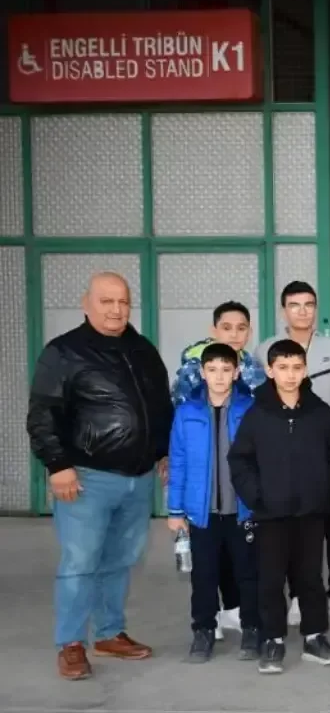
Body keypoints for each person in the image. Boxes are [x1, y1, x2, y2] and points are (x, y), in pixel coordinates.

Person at [27, 272, 173, 681]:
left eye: (123, 301)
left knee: (121, 560)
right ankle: (71, 643)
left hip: (138, 478)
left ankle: (109, 633)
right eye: (106, 301)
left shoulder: (142, 349)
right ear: (86, 303)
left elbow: (160, 405)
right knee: (80, 562)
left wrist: (164, 451)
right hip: (86, 479)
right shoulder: (63, 352)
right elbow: (42, 414)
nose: (116, 310)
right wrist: (57, 464)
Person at [228, 339, 330, 674]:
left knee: (310, 577)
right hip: (270, 514)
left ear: (305, 369)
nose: (290, 374)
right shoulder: (257, 415)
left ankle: (315, 637)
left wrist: (327, 491)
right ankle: (273, 639)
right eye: (282, 367)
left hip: (311, 511)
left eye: (297, 367)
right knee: (270, 579)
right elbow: (240, 461)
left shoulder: (320, 413)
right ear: (270, 371)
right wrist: (257, 497)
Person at [169, 301, 266, 640]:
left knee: (248, 570)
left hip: (242, 507)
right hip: (202, 509)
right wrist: (175, 509)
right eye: (213, 370)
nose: (220, 376)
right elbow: (179, 459)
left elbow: (261, 457)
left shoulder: (251, 405)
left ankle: (251, 624)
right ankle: (205, 628)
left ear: (237, 373)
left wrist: (260, 499)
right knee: (205, 574)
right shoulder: (187, 410)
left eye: (227, 370)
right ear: (202, 372)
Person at [254, 281, 330, 412]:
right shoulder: (264, 350)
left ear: (316, 310)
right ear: (283, 312)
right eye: (294, 306)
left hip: (326, 422)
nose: (302, 312)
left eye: (309, 305)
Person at [171, 300, 267, 405]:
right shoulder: (194, 368)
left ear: (249, 333)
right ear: (214, 331)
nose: (234, 334)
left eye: (241, 328)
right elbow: (178, 407)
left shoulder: (255, 368)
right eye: (226, 328)